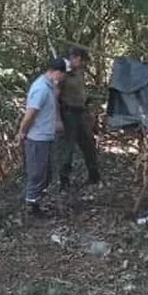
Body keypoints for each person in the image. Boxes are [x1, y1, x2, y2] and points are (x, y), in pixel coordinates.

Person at [17, 57, 67, 216]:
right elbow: (31, 113)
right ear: (56, 72)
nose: (62, 80)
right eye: (62, 76)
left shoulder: (49, 86)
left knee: (45, 173)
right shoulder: (41, 89)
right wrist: (22, 132)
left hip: (46, 136)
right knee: (37, 173)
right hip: (37, 138)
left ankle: (37, 200)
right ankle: (32, 206)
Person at [58, 44, 101, 190]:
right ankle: (64, 181)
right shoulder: (62, 72)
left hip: (81, 112)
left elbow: (81, 92)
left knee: (89, 143)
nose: (83, 65)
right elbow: (55, 95)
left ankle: (94, 175)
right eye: (81, 61)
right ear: (74, 58)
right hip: (68, 113)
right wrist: (57, 119)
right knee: (68, 148)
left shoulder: (79, 72)